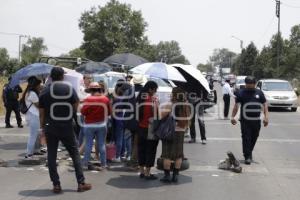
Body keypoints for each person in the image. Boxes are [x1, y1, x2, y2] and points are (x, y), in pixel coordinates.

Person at [39, 67, 91, 193]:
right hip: (66, 126)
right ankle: (81, 183)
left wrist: (42, 127)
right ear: (62, 76)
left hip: (50, 126)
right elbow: (76, 102)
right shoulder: (69, 89)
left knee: (51, 155)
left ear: (51, 76)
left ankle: (56, 185)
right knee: (74, 154)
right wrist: (71, 113)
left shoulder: (45, 91)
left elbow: (42, 112)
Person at [231, 76, 269, 165]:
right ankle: (247, 156)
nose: (250, 86)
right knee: (246, 137)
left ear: (254, 84)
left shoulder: (259, 93)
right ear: (246, 84)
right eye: (248, 84)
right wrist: (233, 117)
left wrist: (266, 117)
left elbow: (265, 105)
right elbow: (236, 106)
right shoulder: (241, 93)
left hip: (256, 120)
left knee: (254, 137)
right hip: (245, 120)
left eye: (251, 84)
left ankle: (249, 152)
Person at [160, 87, 191, 183]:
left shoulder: (171, 104)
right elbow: (189, 118)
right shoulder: (186, 104)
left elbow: (162, 115)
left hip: (170, 130)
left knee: (167, 154)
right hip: (181, 130)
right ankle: (175, 175)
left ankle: (167, 176)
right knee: (178, 154)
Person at [81, 82, 111, 170]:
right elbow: (109, 112)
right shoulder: (105, 99)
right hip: (101, 125)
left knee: (88, 144)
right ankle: (103, 164)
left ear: (91, 90)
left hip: (89, 125)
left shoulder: (88, 99)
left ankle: (85, 164)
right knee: (101, 144)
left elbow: (83, 112)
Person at [136, 81, 159, 180]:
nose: (155, 92)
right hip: (150, 129)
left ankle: (141, 171)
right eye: (155, 90)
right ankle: (147, 173)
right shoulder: (151, 101)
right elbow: (156, 115)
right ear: (150, 89)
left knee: (141, 149)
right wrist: (157, 104)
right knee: (151, 150)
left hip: (140, 127)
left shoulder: (139, 99)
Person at [22, 76, 42, 158]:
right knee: (33, 135)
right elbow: (39, 105)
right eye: (39, 85)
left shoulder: (29, 92)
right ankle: (29, 153)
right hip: (34, 116)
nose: (40, 86)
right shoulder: (32, 93)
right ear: (35, 85)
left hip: (32, 116)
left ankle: (35, 151)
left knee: (37, 135)